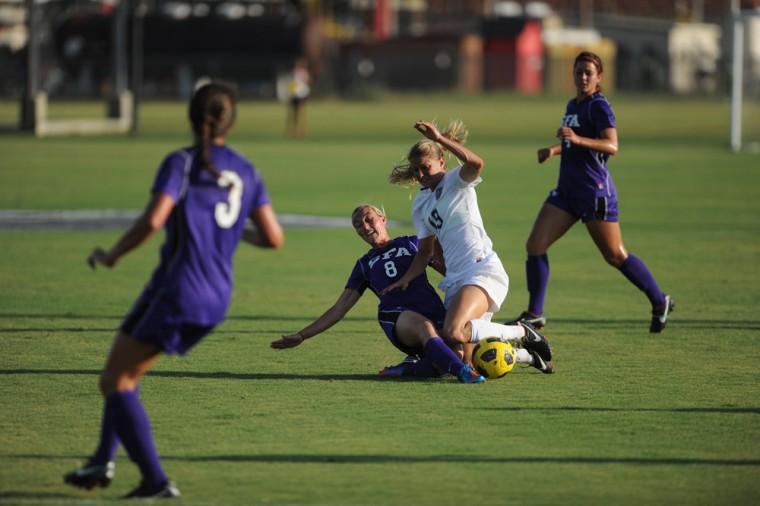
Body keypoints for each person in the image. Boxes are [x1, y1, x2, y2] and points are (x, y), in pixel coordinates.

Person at [63, 81, 284, 499]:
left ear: (190, 117)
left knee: (116, 379)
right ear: (230, 122)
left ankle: (155, 481)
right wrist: (231, 231)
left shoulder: (180, 163)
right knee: (125, 369)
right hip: (211, 292)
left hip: (182, 288)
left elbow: (152, 221)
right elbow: (273, 237)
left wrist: (112, 255)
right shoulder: (246, 169)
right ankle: (102, 459)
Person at [512, 51, 673, 333]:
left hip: (594, 193)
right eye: (579, 72)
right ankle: (535, 313)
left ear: (599, 76)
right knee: (535, 245)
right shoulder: (573, 104)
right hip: (567, 192)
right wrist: (555, 149)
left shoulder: (599, 105)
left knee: (615, 255)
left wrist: (575, 138)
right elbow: (576, 143)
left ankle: (659, 301)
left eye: (589, 72)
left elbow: (611, 145)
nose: (583, 77)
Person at [383, 120, 553, 373]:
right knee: (465, 362)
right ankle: (526, 356)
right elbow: (426, 252)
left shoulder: (456, 180)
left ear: (442, 162)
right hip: (455, 280)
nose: (420, 175)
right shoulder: (420, 203)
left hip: (481, 270)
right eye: (416, 170)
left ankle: (522, 331)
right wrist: (405, 279)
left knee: (453, 331)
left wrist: (439, 138)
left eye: (425, 167)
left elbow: (477, 163)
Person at [271, 204, 489, 383]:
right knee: (426, 330)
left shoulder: (412, 243)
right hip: (396, 316)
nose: (364, 227)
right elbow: (339, 308)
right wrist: (302, 335)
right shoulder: (365, 264)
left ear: (383, 218)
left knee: (455, 355)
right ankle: (464, 374)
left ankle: (406, 370)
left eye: (368, 219)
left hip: (432, 310)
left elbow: (450, 271)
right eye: (358, 225)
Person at [285, 58, 310, 138]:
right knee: (292, 114)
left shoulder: (303, 73)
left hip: (301, 95)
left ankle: (301, 131)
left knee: (301, 113)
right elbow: (292, 84)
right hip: (294, 95)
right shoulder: (294, 73)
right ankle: (291, 131)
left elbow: (306, 83)